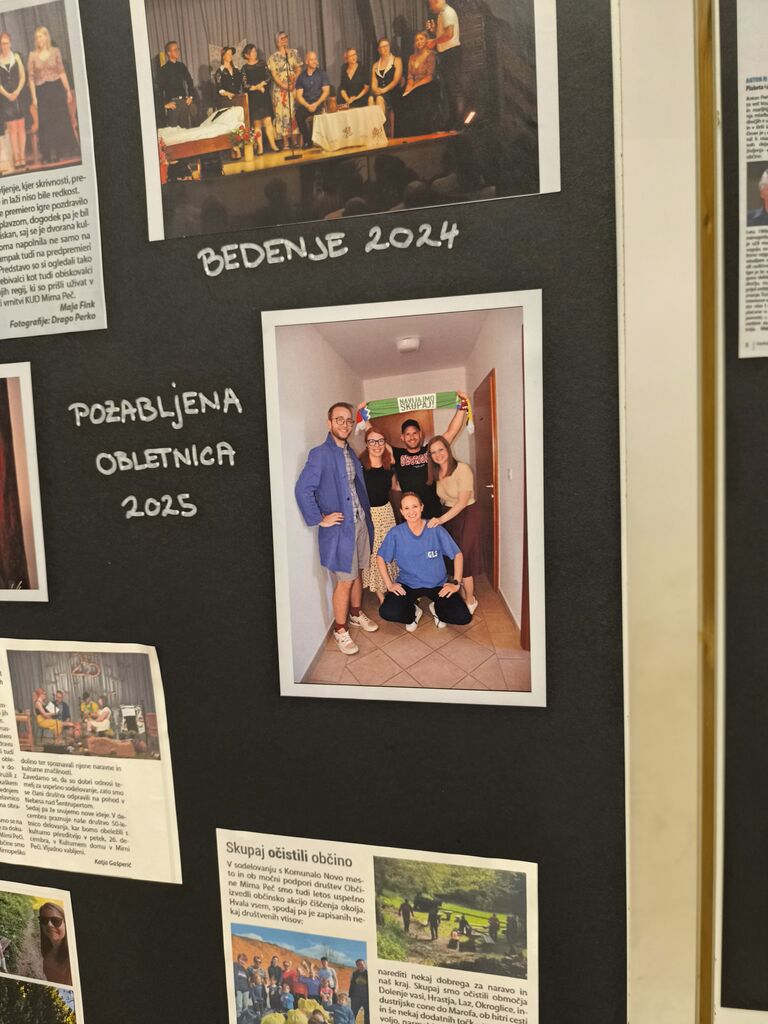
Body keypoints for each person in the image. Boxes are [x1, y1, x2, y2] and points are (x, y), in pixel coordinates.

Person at [295, 402, 379, 656]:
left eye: (348, 420)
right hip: (341, 529)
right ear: (329, 423)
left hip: (360, 521)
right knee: (345, 580)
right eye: (339, 419)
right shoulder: (320, 454)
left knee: (358, 572)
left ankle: (355, 614)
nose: (344, 424)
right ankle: (340, 630)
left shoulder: (350, 452)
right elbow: (303, 489)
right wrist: (320, 518)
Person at [377, 492, 472, 629]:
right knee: (387, 612)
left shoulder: (435, 529)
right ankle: (414, 613)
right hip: (408, 584)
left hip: (437, 584)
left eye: (415, 506)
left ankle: (437, 609)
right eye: (406, 508)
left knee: (463, 617)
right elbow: (380, 557)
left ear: (421, 507)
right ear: (401, 511)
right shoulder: (396, 533)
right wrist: (389, 584)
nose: (411, 511)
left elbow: (457, 555)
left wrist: (456, 583)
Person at [371, 393, 468, 519]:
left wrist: (462, 407)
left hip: (433, 513)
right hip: (410, 514)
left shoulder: (430, 450)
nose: (412, 437)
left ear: (421, 434)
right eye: (407, 434)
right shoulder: (397, 454)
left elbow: (451, 432)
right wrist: (364, 417)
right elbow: (375, 438)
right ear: (402, 437)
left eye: (415, 433)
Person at [426, 434, 480, 612]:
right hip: (449, 514)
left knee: (463, 556)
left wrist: (440, 520)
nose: (438, 454)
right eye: (433, 452)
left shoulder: (462, 469)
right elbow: (444, 499)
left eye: (441, 449)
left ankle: (470, 600)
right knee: (451, 556)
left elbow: (462, 502)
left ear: (448, 449)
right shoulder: (437, 472)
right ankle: (461, 590)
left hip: (466, 514)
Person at [358, 424, 398, 603]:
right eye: (372, 441)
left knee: (390, 549)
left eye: (380, 441)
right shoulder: (360, 465)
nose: (376, 445)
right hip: (369, 515)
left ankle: (391, 585)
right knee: (375, 554)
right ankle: (381, 595)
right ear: (366, 444)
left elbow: (396, 487)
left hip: (386, 513)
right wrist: (367, 423)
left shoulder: (389, 466)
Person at [27, 27, 78, 165]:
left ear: (46, 37)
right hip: (41, 91)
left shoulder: (55, 51)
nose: (39, 39)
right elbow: (30, 78)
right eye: (37, 37)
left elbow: (61, 72)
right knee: (46, 123)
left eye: (41, 36)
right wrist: (34, 97)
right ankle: (49, 153)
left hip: (56, 89)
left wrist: (68, 90)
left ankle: (60, 151)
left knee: (59, 120)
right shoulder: (32, 55)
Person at [425, 0, 463, 130]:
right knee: (448, 89)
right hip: (447, 54)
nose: (431, 8)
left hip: (451, 53)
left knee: (454, 89)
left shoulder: (448, 12)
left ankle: (459, 123)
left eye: (431, 4)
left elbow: (449, 34)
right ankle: (453, 122)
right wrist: (434, 31)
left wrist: (434, 42)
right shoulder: (442, 14)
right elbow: (444, 34)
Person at [396, 32, 436, 138]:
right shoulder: (412, 57)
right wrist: (409, 86)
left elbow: (430, 76)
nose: (419, 42)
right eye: (417, 40)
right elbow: (410, 76)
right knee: (402, 100)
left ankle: (423, 133)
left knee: (418, 97)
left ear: (426, 40)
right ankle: (409, 134)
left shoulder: (430, 55)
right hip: (414, 86)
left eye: (421, 39)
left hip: (426, 85)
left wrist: (415, 86)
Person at [268, 30, 302, 147]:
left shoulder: (293, 53)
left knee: (293, 112)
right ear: (277, 41)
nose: (285, 40)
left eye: (286, 37)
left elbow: (298, 69)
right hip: (280, 89)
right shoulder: (273, 57)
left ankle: (295, 140)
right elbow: (274, 75)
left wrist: (294, 80)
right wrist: (284, 85)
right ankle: (285, 142)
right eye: (282, 38)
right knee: (282, 114)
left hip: (293, 86)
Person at [241, 44, 277, 153]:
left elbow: (268, 77)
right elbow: (245, 84)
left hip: (264, 96)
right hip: (253, 98)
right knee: (257, 123)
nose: (255, 53)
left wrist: (262, 84)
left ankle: (273, 145)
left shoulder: (262, 64)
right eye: (252, 52)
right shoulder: (244, 68)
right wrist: (256, 87)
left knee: (268, 121)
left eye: (255, 51)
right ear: (247, 55)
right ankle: (260, 148)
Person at [0, 33, 26, 170]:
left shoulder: (16, 56)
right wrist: (7, 94)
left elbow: (22, 76)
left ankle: (22, 157)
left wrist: (17, 91)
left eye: (6, 43)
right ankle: (16, 158)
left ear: (10, 43)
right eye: (2, 43)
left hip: (19, 95)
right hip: (5, 97)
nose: (4, 46)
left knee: (21, 127)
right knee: (12, 129)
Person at [156, 40, 196, 128]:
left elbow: (190, 81)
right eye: (175, 50)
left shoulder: (182, 66)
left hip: (184, 102)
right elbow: (159, 90)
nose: (178, 51)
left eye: (178, 49)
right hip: (173, 104)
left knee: (185, 130)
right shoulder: (163, 69)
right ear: (169, 53)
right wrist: (164, 104)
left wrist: (191, 96)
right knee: (174, 131)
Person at [295, 51, 331, 148]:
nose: (315, 61)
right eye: (312, 59)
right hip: (306, 104)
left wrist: (316, 103)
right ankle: (308, 140)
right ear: (306, 61)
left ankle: (318, 140)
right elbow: (299, 96)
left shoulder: (322, 74)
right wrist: (307, 105)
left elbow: (326, 91)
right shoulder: (301, 77)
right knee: (298, 115)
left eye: (315, 59)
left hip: (318, 102)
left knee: (318, 115)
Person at [369, 38, 402, 135]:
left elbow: (396, 80)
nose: (385, 48)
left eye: (386, 46)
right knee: (370, 99)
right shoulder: (375, 65)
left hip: (392, 91)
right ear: (378, 50)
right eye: (382, 47)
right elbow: (374, 83)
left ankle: (380, 131)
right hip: (380, 91)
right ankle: (374, 129)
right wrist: (376, 90)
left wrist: (383, 90)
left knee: (379, 99)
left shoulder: (397, 60)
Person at [39, 904, 72, 986]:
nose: (49, 925)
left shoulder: (71, 960)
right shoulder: (48, 949)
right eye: (44, 920)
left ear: (66, 924)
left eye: (56, 921)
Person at [348, 960, 369, 1024]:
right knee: (353, 1013)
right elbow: (351, 983)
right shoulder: (354, 973)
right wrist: (351, 994)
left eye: (361, 964)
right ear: (357, 966)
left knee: (367, 1015)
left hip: (366, 997)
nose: (360, 966)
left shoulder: (369, 973)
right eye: (358, 965)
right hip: (355, 997)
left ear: (365, 964)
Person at [233, 953, 251, 1021]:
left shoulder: (245, 970)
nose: (242, 961)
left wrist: (249, 990)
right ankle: (238, 1020)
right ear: (238, 959)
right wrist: (235, 989)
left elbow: (248, 981)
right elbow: (234, 978)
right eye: (241, 959)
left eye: (244, 960)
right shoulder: (235, 966)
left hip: (246, 990)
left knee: (245, 1007)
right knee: (239, 1006)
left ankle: (244, 1020)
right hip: (239, 990)